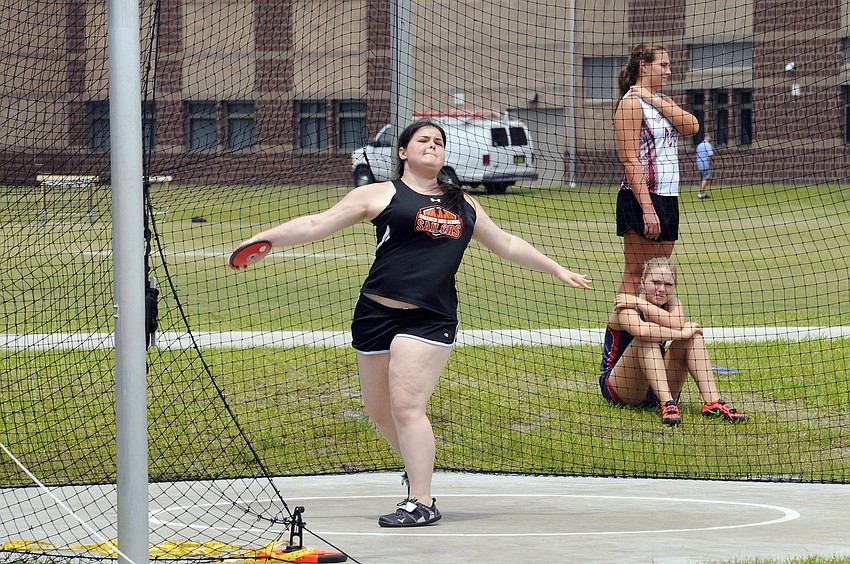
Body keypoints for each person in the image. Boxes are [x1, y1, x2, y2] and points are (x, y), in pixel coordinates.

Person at [230, 118, 592, 527]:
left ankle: (421, 501)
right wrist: (265, 239)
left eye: (439, 142)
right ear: (403, 152)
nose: (432, 146)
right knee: (381, 413)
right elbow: (317, 223)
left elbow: (505, 243)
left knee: (407, 406)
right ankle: (416, 471)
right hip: (374, 312)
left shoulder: (463, 203)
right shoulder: (380, 193)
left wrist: (556, 269)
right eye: (423, 140)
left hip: (430, 316)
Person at [599, 257, 748, 426]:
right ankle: (668, 404)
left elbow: (677, 323)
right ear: (642, 281)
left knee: (694, 336)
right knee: (646, 339)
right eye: (655, 282)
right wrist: (681, 334)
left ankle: (713, 403)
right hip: (622, 387)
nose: (662, 289)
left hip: (656, 383)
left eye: (668, 285)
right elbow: (642, 331)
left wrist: (640, 301)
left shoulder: (672, 303)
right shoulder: (626, 306)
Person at [614, 44, 700, 296]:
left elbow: (692, 126)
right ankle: (616, 336)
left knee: (659, 274)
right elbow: (630, 160)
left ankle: (648, 334)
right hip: (641, 199)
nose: (668, 71)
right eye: (663, 65)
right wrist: (647, 210)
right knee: (637, 273)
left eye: (668, 65)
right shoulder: (630, 105)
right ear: (643, 65)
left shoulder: (660, 101)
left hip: (667, 196)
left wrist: (652, 98)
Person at [696, 134, 714, 199]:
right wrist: (711, 163)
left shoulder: (699, 145)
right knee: (705, 178)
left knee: (701, 178)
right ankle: (701, 193)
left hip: (699, 163)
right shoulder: (708, 145)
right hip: (705, 163)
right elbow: (710, 155)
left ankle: (702, 193)